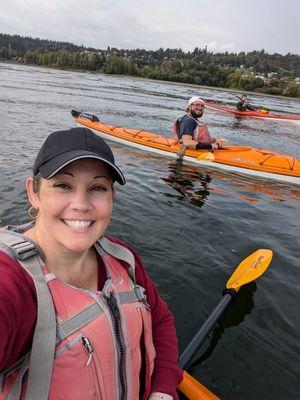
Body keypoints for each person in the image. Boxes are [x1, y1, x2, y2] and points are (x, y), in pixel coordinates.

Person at [0, 127, 182, 399]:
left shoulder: (123, 259)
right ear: (34, 193)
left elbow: (160, 319)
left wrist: (163, 389)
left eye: (97, 187)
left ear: (112, 197)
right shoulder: (12, 284)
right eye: (63, 185)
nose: (81, 204)